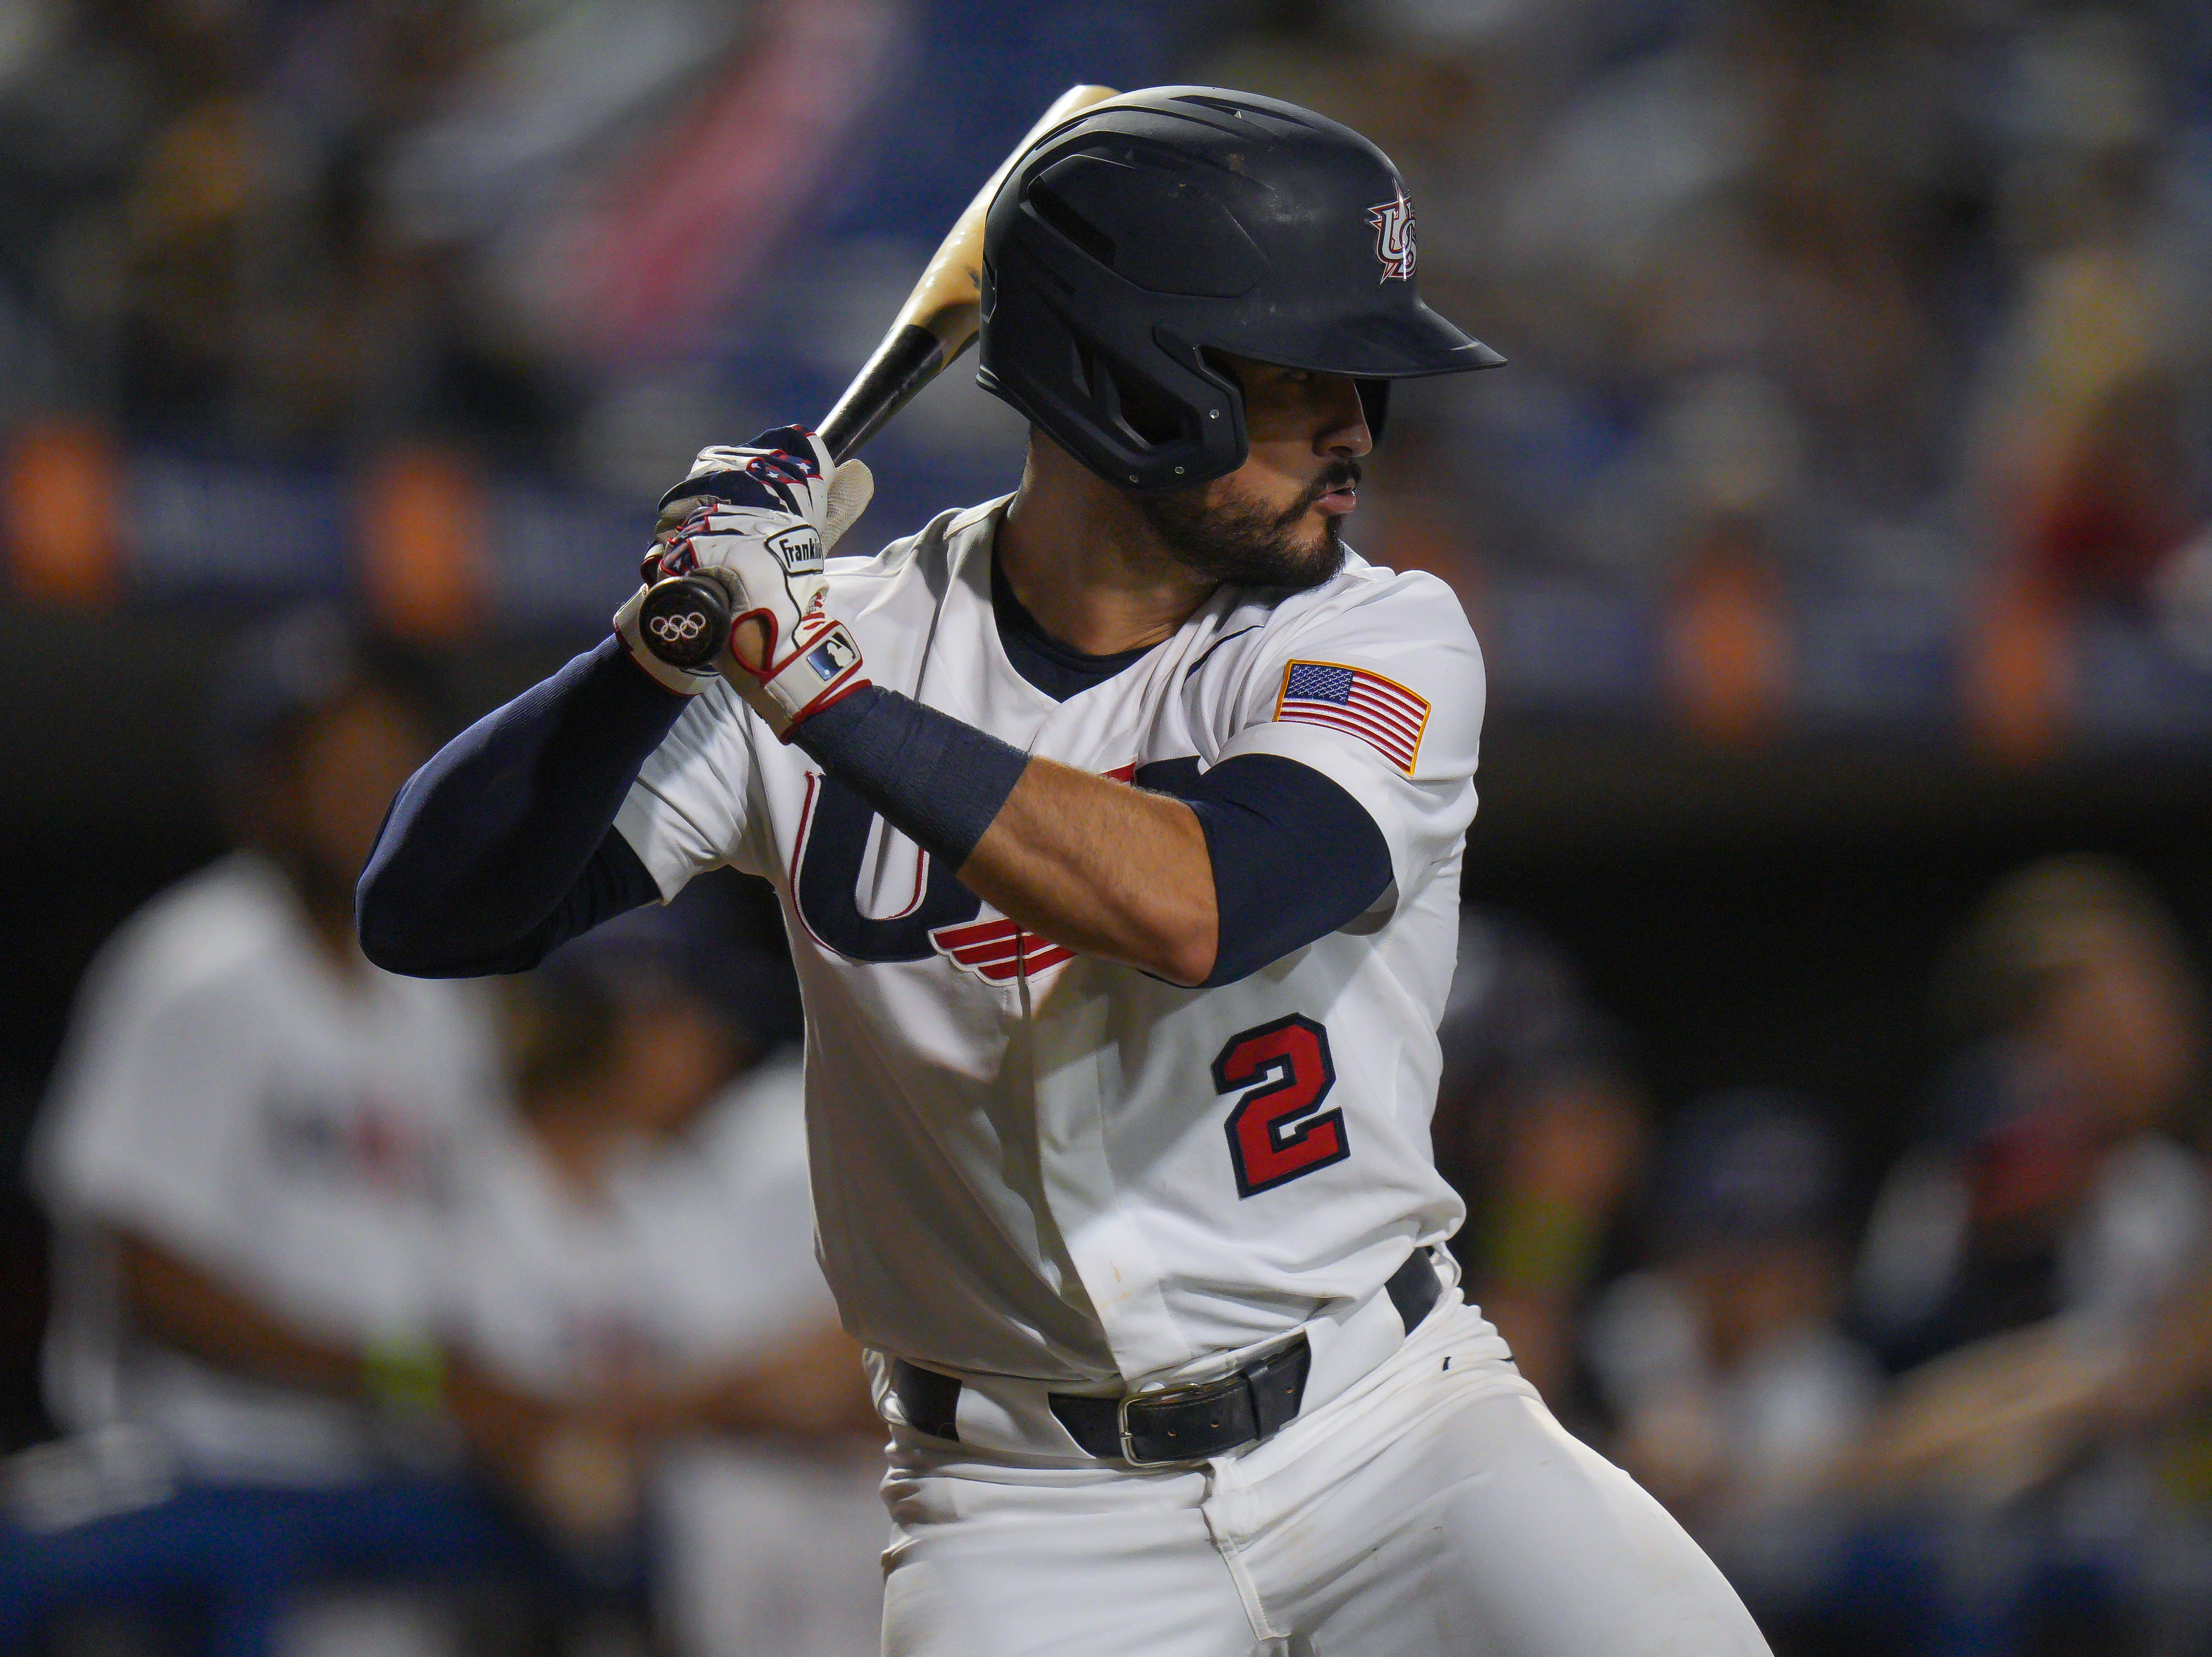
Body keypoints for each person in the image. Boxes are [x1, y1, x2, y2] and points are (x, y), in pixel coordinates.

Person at [358, 88, 1771, 1655]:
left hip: (1393, 1433)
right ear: (1130, 379)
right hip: (1022, 1516)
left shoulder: (1372, 631)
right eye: (1300, 374)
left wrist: (810, 682)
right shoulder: (847, 639)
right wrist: (665, 643)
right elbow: (433, 908)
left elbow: (1198, 904)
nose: (1356, 430)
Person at [20, 611, 560, 1647]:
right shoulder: (194, 964)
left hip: (385, 1505)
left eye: (389, 756)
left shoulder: (439, 997)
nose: (367, 785)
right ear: (263, 790)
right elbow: (144, 1274)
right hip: (190, 1496)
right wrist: (407, 1373)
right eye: (331, 760)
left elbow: (470, 1249)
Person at [441, 910, 882, 1657]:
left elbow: (812, 1368)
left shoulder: (663, 1191)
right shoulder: (464, 1183)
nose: (717, 1046)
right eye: (687, 1020)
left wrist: (650, 1414)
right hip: (486, 1578)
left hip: (662, 1580)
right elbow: (463, 1396)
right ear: (606, 1024)